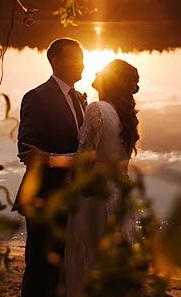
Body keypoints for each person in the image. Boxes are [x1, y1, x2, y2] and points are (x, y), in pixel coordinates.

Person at [19, 58, 141, 297]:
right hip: (117, 198)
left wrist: (46, 158)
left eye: (101, 70)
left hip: (93, 199)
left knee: (86, 265)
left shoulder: (97, 109)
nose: (93, 69)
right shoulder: (123, 116)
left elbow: (85, 159)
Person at [14, 38, 87, 297]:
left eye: (82, 58)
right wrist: (63, 159)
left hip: (72, 197)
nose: (82, 64)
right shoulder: (37, 97)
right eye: (76, 58)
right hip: (43, 196)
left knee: (63, 269)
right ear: (56, 62)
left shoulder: (81, 98)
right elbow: (27, 150)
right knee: (39, 268)